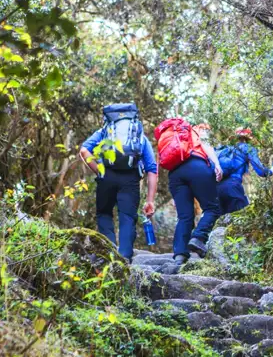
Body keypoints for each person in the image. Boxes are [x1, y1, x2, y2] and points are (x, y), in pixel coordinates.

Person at [79, 104, 157, 261]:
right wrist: (150, 200)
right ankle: (125, 257)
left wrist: (98, 170)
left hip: (106, 176)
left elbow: (84, 150)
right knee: (127, 216)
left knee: (104, 213)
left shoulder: (104, 132)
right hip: (130, 179)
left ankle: (109, 255)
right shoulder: (139, 137)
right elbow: (152, 169)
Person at [154, 118, 223, 266]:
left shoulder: (174, 135)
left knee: (184, 216)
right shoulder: (198, 130)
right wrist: (217, 164)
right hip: (197, 166)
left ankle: (180, 255)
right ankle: (198, 238)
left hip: (175, 174)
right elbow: (206, 145)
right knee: (212, 208)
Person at [216, 128, 272, 214]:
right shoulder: (248, 148)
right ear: (248, 138)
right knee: (244, 215)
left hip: (217, 189)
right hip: (233, 187)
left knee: (224, 220)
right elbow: (261, 172)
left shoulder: (227, 150)